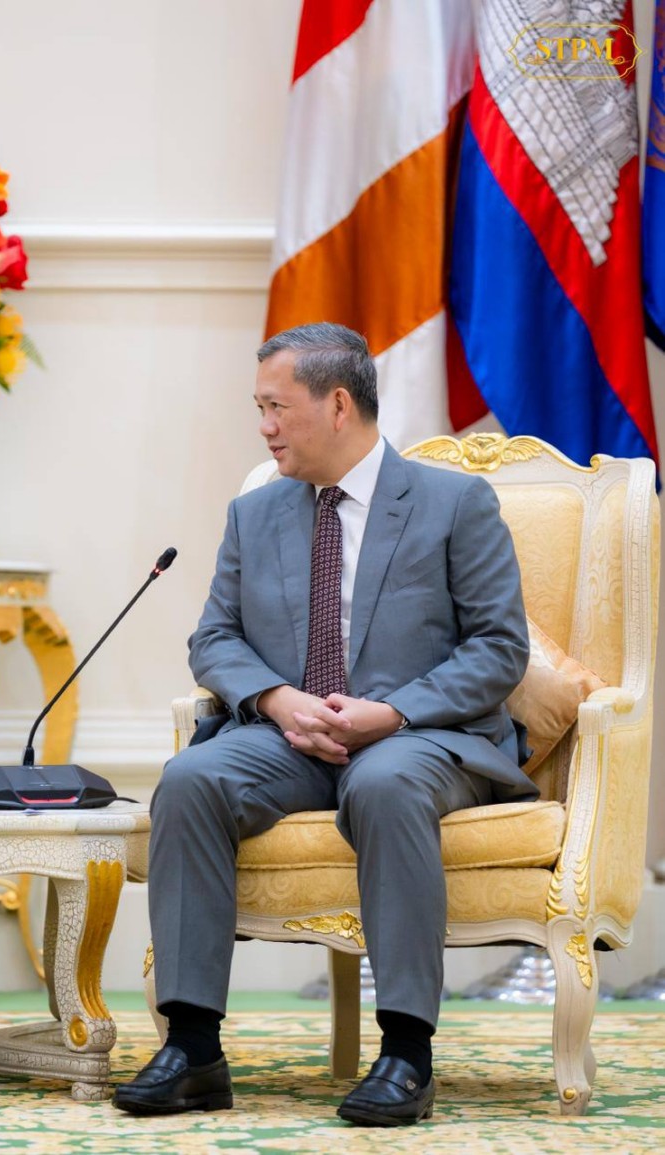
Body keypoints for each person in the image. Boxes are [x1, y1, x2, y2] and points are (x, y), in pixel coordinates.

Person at [113, 322, 537, 1127]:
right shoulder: (254, 513)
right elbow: (214, 638)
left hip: (420, 736)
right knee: (191, 778)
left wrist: (394, 710)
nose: (263, 426)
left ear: (338, 404)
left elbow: (499, 647)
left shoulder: (454, 503)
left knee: (384, 782)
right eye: (259, 407)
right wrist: (277, 698)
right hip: (291, 738)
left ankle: (406, 1053)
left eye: (276, 407)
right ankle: (193, 1049)